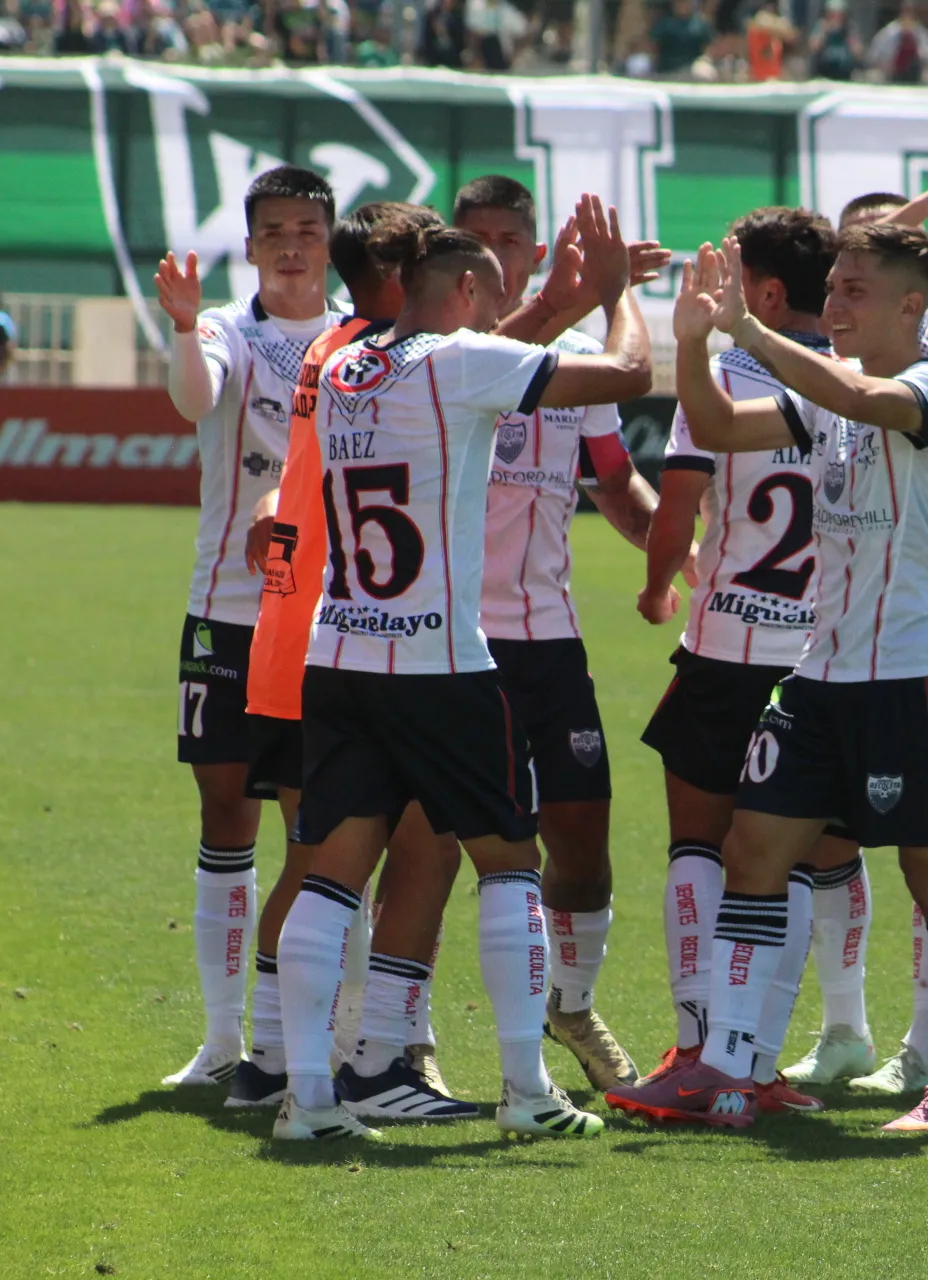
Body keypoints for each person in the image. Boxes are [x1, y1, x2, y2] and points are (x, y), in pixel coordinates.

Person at [604, 225, 928, 1135]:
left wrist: (747, 329)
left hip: (916, 676)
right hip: (819, 675)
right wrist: (698, 340)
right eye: (833, 287)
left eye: (856, 289)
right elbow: (713, 427)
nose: (836, 303)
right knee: (752, 851)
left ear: (912, 305)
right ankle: (730, 1070)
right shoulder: (831, 394)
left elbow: (856, 393)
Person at [273, 207, 651, 1142]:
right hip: (438, 657)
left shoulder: (343, 360)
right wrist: (615, 297)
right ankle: (526, 1091)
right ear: (471, 295)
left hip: (342, 649)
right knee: (510, 863)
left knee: (333, 874)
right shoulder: (460, 361)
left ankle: (308, 1099)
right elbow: (634, 375)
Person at [233, 200, 479, 1118]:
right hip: (357, 644)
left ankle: (271, 1058)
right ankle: (380, 1061)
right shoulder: (393, 358)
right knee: (417, 850)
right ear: (398, 274)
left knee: (317, 860)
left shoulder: (325, 353)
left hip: (294, 634)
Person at [633, 206, 861, 1110]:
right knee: (795, 862)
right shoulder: (853, 384)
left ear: (763, 291)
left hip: (727, 643)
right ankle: (758, 1063)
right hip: (817, 658)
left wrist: (658, 589)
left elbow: (679, 503)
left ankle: (695, 1046)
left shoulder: (724, 375)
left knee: (700, 844)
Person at [453, 175, 662, 1093]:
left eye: (511, 237)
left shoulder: (577, 363)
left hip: (548, 640)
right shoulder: (437, 354)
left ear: (537, 253)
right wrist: (602, 293)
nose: (494, 251)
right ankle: (395, 1036)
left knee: (582, 833)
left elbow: (613, 480)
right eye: (477, 237)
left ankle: (571, 1006)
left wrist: (682, 553)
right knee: (428, 843)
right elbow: (505, 354)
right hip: (447, 639)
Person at [155, 166, 344, 1092]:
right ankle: (222, 1039)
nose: (293, 245)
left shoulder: (354, 340)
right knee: (225, 817)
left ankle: (301, 1035)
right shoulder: (232, 329)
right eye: (275, 230)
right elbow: (195, 399)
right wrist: (186, 326)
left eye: (308, 228)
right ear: (252, 243)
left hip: (321, 627)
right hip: (225, 617)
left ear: (331, 238)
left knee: (316, 827)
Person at [866, 0, 928, 84]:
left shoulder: (921, 33)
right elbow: (874, 54)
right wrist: (885, 64)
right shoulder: (890, 32)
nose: (908, 14)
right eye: (906, 10)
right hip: (891, 75)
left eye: (911, 11)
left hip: (916, 75)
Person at [650, 0, 711, 74]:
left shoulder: (700, 23)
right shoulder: (664, 23)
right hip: (668, 68)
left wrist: (704, 59)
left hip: (693, 68)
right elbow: (653, 43)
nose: (683, 5)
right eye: (680, 2)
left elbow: (709, 45)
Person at [808, 0, 859, 79]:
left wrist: (849, 37)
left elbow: (857, 52)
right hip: (823, 75)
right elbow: (814, 47)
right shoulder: (821, 26)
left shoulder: (849, 28)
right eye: (832, 15)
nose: (836, 18)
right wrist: (825, 31)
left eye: (840, 15)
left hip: (844, 75)